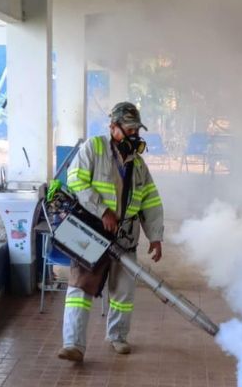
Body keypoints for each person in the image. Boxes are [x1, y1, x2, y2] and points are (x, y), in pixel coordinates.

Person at [57, 102, 165, 362]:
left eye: (136, 129)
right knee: (80, 289)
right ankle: (73, 345)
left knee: (123, 292)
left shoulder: (138, 165)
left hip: (125, 237)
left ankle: (117, 336)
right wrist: (102, 210)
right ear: (113, 128)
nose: (134, 135)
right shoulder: (93, 148)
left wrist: (156, 236)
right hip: (91, 232)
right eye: (129, 129)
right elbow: (76, 180)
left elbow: (150, 200)